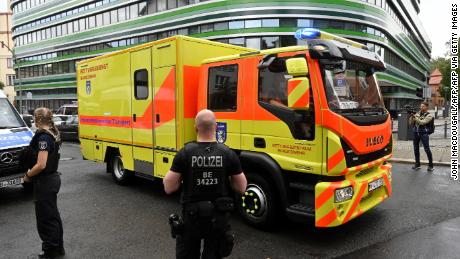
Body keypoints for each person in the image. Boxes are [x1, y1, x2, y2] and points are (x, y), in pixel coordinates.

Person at [163, 109, 247, 259]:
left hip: (191, 220)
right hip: (218, 220)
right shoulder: (228, 153)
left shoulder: (185, 153)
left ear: (196, 128)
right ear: (216, 126)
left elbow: (169, 187)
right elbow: (241, 187)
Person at [22, 108, 64, 259]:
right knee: (53, 215)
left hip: (45, 181)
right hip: (52, 179)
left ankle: (50, 250)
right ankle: (58, 247)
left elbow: (41, 164)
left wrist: (27, 176)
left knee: (46, 218)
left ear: (37, 119)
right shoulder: (52, 133)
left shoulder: (43, 138)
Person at [409, 101, 434, 171]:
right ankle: (417, 164)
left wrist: (415, 117)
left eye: (423, 106)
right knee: (416, 148)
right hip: (416, 132)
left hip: (424, 133)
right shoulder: (417, 114)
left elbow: (422, 122)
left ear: (426, 107)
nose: (421, 107)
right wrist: (411, 116)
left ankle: (431, 165)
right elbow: (410, 123)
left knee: (427, 149)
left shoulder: (429, 115)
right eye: (421, 106)